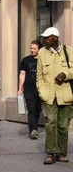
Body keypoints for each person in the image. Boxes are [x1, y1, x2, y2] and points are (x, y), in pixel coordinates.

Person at [36, 27, 73, 165]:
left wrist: (65, 75)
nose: (45, 40)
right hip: (49, 95)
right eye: (45, 37)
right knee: (51, 123)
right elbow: (39, 75)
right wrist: (41, 91)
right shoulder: (42, 52)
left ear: (55, 38)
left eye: (48, 37)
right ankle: (51, 153)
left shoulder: (68, 51)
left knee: (63, 126)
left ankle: (61, 153)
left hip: (65, 95)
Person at [18, 40, 43, 139]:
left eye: (34, 49)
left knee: (37, 110)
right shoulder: (26, 60)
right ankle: (32, 130)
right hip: (29, 89)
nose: (32, 50)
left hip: (41, 89)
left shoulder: (43, 60)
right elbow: (22, 74)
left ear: (39, 49)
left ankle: (34, 128)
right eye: (31, 48)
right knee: (31, 109)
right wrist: (20, 88)